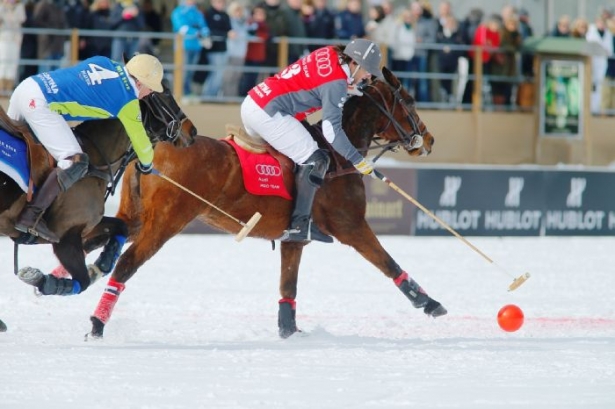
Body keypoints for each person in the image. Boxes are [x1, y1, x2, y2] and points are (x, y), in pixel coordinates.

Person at [7, 53, 163, 243]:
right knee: (75, 161)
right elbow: (142, 144)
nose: (149, 94)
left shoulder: (105, 62)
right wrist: (147, 164)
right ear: (139, 83)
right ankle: (30, 216)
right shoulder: (128, 102)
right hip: (40, 105)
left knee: (14, 150)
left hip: (25, 88)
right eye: (150, 89)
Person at [240, 39, 381, 243]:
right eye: (367, 69)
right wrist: (357, 160)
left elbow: (319, 80)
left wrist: (347, 87)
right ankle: (299, 225)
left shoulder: (330, 52)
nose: (368, 75)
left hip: (254, 101)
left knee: (298, 151)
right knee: (317, 159)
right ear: (354, 63)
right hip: (269, 113)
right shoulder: (336, 85)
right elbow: (331, 131)